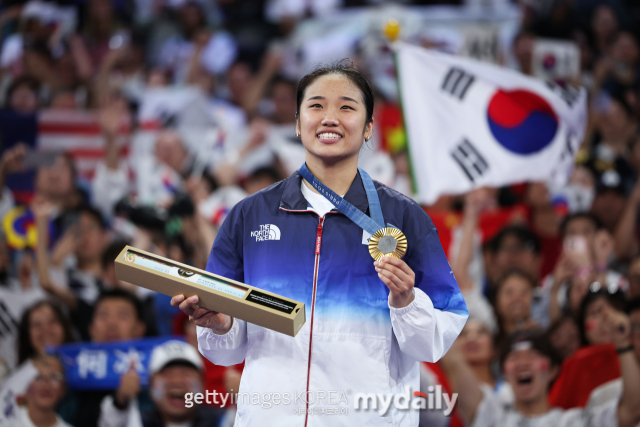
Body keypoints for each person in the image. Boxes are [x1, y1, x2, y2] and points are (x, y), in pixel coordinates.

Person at [172, 62, 468, 425]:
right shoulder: (249, 216)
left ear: (369, 127)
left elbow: (434, 343)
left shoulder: (405, 218)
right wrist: (221, 324)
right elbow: (226, 350)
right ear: (297, 124)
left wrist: (406, 302)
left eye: (346, 107)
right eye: (316, 106)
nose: (330, 118)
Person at [441, 324, 640, 427]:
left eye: (533, 355)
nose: (523, 363)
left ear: (553, 369)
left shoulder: (574, 422)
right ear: (504, 374)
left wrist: (623, 343)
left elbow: (632, 410)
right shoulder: (492, 418)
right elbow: (454, 362)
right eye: (513, 357)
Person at [98, 340, 229, 427]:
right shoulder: (136, 421)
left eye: (185, 373)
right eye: (167, 373)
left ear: (202, 384)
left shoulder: (224, 421)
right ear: (150, 384)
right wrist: (122, 399)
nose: (177, 381)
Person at [4, 355, 72, 427]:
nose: (46, 383)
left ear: (63, 387)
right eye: (38, 377)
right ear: (25, 385)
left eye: (54, 377)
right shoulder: (5, 422)